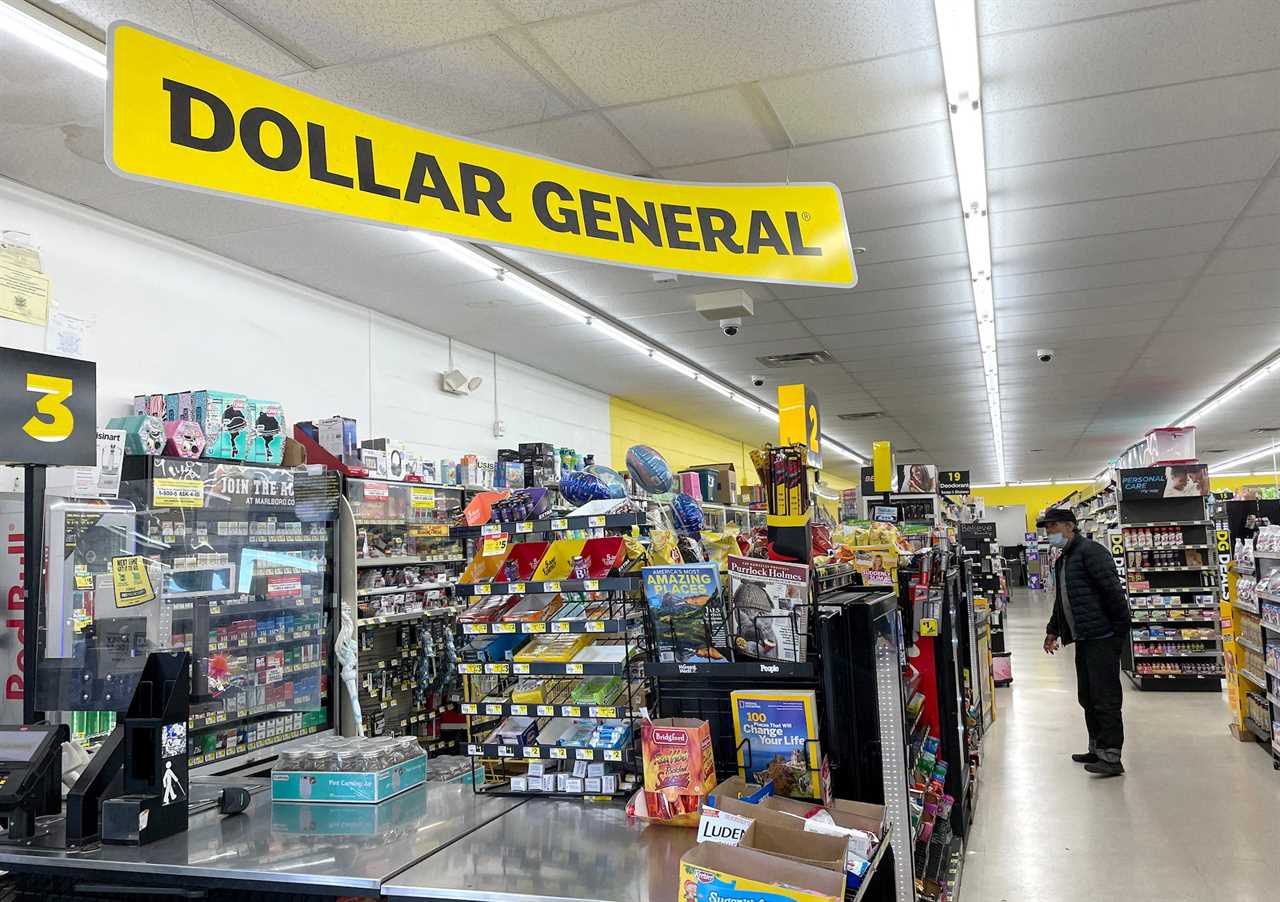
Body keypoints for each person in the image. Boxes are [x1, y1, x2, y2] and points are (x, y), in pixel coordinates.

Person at [1039, 508, 1130, 777]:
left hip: (1102, 636)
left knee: (1106, 698)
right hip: (1084, 638)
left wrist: (1118, 635)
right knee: (1088, 696)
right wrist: (1053, 630)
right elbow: (1062, 600)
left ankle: (1112, 756)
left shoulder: (1092, 552)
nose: (1049, 533)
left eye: (1053, 527)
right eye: (1047, 528)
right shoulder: (1064, 559)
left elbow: (1114, 593)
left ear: (1070, 526)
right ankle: (1097, 748)